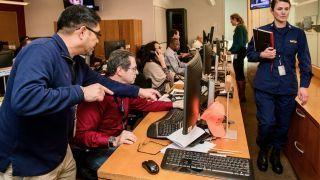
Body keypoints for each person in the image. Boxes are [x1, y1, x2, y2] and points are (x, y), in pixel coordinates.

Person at [0, 5, 159, 179]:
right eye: (97, 34)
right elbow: (25, 99)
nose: (98, 41)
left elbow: (105, 83)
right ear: (82, 31)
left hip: (60, 152)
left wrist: (138, 91)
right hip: (30, 159)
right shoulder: (40, 50)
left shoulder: (75, 61)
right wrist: (81, 92)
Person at [73, 49, 183, 172]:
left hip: (118, 141)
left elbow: (145, 105)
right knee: (134, 169)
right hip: (97, 149)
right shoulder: (97, 95)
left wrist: (173, 104)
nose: (137, 73)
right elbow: (81, 136)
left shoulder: (125, 91)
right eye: (133, 69)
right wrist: (113, 140)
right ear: (119, 71)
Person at [246, 0, 312, 174]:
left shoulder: (298, 34)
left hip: (287, 88)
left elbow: (305, 61)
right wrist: (262, 54)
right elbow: (250, 54)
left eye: (286, 9)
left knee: (282, 125)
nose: (283, 12)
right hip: (265, 86)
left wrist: (304, 86)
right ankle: (263, 150)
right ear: (272, 10)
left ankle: (276, 153)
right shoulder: (262, 31)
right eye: (279, 9)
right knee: (267, 122)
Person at [228, 13, 248, 102]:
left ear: (236, 19)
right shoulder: (241, 27)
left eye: (231, 20)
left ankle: (241, 96)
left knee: (239, 72)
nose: (230, 22)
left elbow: (239, 44)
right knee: (239, 72)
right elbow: (236, 43)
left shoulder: (239, 28)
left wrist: (231, 51)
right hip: (240, 52)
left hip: (239, 52)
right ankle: (241, 95)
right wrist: (230, 50)